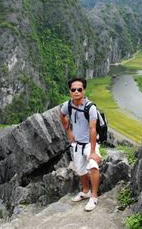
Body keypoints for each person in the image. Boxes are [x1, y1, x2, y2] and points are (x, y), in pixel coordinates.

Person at [60, 77, 102, 211]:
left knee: (93, 165)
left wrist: (93, 151)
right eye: (73, 89)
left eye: (79, 89)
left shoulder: (91, 107)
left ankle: (94, 197)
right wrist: (69, 132)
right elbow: (62, 115)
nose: (76, 92)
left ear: (84, 90)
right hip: (77, 143)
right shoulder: (68, 105)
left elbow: (93, 129)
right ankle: (85, 191)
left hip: (90, 143)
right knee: (80, 169)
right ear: (70, 91)